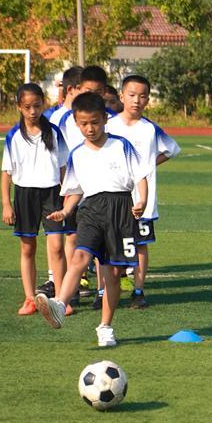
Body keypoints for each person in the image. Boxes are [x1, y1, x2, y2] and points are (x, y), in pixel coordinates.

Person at [34, 91, 148, 347]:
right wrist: (65, 211)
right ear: (76, 122)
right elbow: (75, 190)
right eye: (83, 123)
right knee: (79, 256)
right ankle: (59, 305)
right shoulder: (77, 154)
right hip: (91, 210)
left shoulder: (121, 146)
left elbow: (140, 175)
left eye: (95, 122)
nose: (90, 128)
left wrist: (141, 200)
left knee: (113, 273)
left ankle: (105, 326)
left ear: (105, 119)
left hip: (121, 209)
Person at [107, 74, 180, 308]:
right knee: (110, 243)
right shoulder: (108, 125)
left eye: (142, 96)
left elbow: (172, 149)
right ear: (121, 96)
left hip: (142, 199)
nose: (137, 100)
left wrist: (148, 165)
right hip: (112, 196)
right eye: (132, 95)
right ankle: (103, 291)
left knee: (140, 244)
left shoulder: (150, 129)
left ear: (148, 100)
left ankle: (138, 291)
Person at [1, 82, 68, 315]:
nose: (33, 111)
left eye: (37, 106)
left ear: (43, 104)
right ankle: (29, 298)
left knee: (57, 247)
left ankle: (60, 298)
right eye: (27, 107)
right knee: (28, 247)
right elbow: (6, 172)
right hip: (24, 194)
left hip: (52, 194)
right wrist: (6, 204)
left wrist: (68, 195)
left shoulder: (54, 133)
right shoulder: (13, 136)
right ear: (19, 107)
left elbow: (63, 167)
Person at [57, 64, 115, 310]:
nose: (89, 128)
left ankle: (102, 292)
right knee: (73, 238)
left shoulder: (110, 121)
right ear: (78, 89)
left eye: (98, 91)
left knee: (105, 253)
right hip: (75, 187)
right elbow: (58, 152)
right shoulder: (64, 119)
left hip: (106, 196)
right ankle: (73, 288)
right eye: (89, 90)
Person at [36, 65, 83, 300]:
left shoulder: (90, 115)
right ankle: (55, 279)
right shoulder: (51, 117)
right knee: (56, 237)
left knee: (75, 234)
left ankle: (74, 281)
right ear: (72, 89)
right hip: (57, 185)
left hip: (83, 183)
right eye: (85, 89)